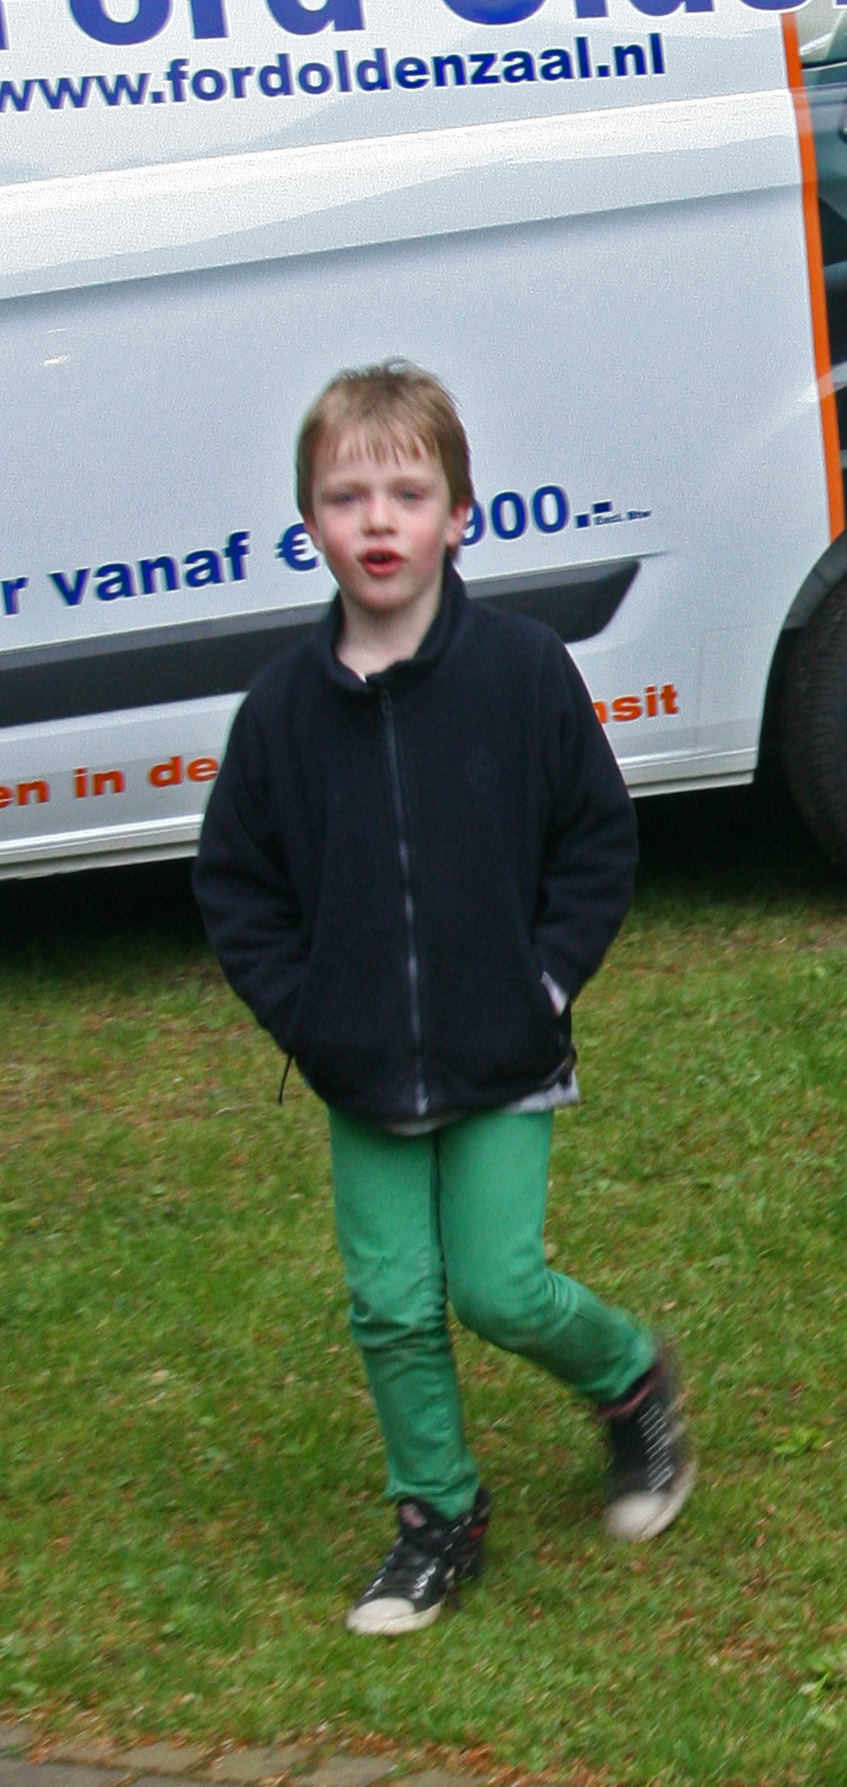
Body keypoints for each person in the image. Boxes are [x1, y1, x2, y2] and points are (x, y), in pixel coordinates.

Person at [194, 361, 693, 1632]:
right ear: (309, 525)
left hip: (503, 1050)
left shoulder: (522, 672)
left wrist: (542, 981)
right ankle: (437, 1516)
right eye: (345, 498)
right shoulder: (282, 711)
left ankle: (632, 1382)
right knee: (390, 1304)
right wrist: (309, 1014)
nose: (378, 521)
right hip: (360, 1063)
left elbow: (595, 842)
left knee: (497, 1288)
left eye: (407, 495)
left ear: (459, 516)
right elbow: (235, 883)